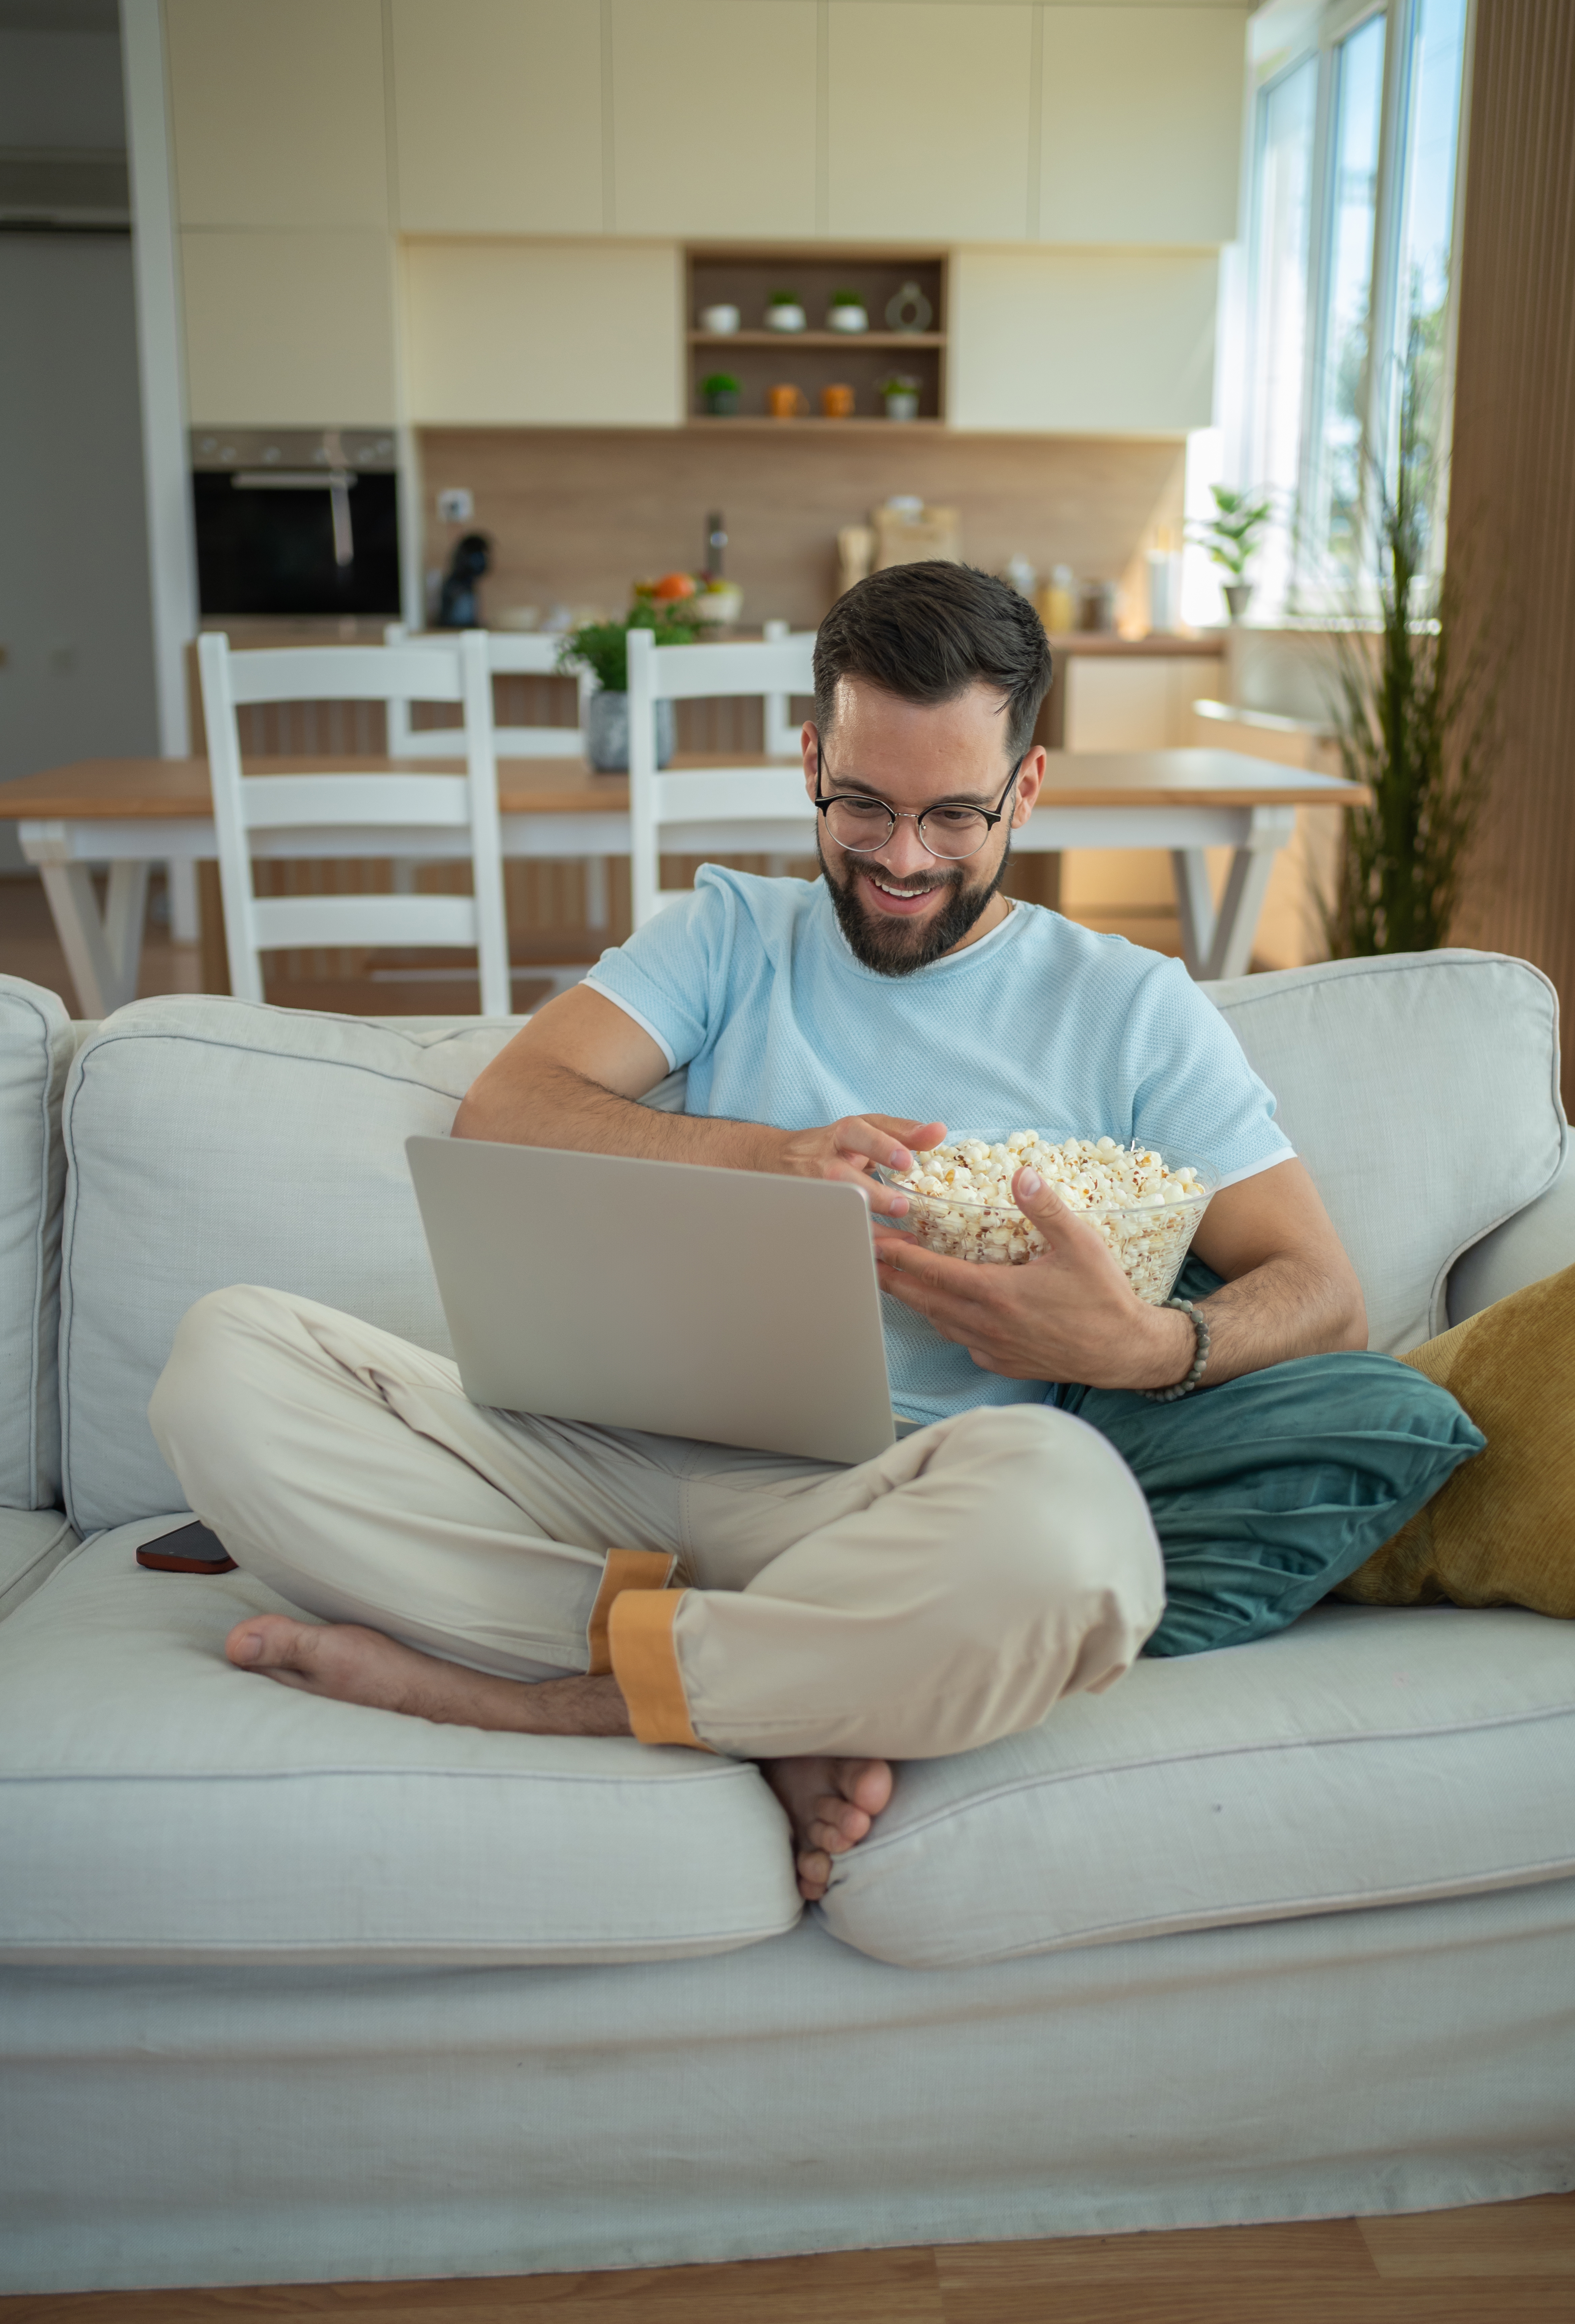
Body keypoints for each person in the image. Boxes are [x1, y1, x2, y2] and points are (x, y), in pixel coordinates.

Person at [150, 564, 1455, 1903]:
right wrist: (768, 1157)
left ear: (1027, 788)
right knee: (228, 1364)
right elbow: (510, 1105)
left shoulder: (1130, 1006)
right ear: (811, 763)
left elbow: (1323, 1292)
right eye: (864, 805)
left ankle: (554, 1695)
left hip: (881, 1506)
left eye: (954, 815)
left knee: (1079, 1541)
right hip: (592, 1462)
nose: (902, 860)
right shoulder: (729, 934)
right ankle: (786, 1688)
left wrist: (1143, 1347)